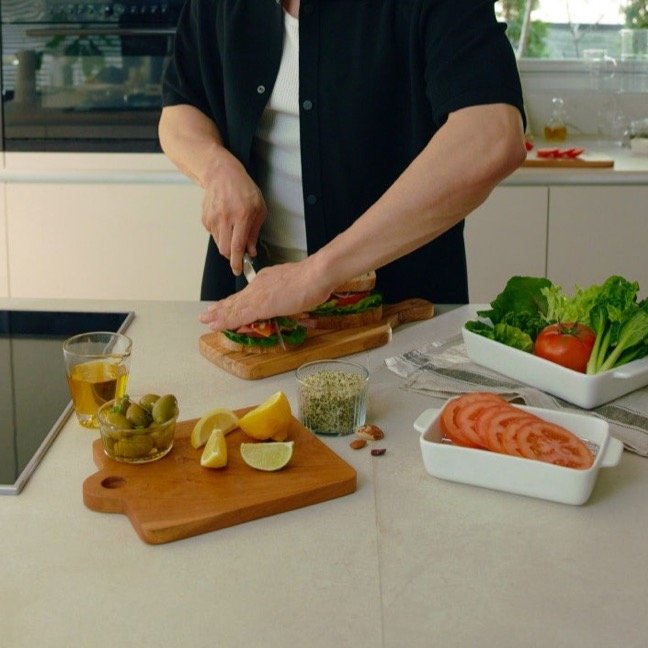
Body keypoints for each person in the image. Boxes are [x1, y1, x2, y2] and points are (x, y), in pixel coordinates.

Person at [159, 0, 527, 332]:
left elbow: (492, 135)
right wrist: (217, 169)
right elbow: (180, 110)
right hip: (251, 308)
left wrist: (316, 275)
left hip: (402, 318)